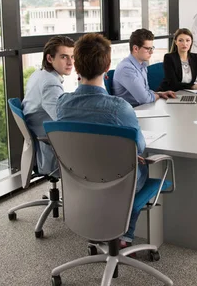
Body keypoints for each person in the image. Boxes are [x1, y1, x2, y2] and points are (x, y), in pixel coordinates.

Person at [56, 33, 148, 247]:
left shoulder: (62, 103)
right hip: (118, 181)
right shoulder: (119, 107)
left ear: (76, 67)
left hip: (79, 179)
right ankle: (124, 236)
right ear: (107, 68)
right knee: (143, 165)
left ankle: (99, 227)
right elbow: (140, 147)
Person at [22, 36, 75, 175]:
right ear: (50, 58)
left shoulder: (39, 74)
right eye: (64, 57)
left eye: (72, 56)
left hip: (41, 135)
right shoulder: (50, 83)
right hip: (50, 143)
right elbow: (62, 120)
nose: (70, 62)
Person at [113, 28, 176, 107]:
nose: (151, 52)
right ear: (135, 48)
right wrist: (158, 96)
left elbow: (145, 91)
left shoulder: (142, 65)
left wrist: (159, 93)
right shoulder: (126, 69)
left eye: (152, 48)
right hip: (132, 112)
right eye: (147, 49)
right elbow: (145, 99)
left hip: (143, 108)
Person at [159, 28, 197, 92]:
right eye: (180, 40)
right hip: (169, 93)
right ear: (176, 42)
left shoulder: (195, 58)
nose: (184, 43)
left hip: (188, 92)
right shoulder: (169, 58)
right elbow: (173, 84)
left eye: (187, 40)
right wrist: (193, 86)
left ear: (191, 42)